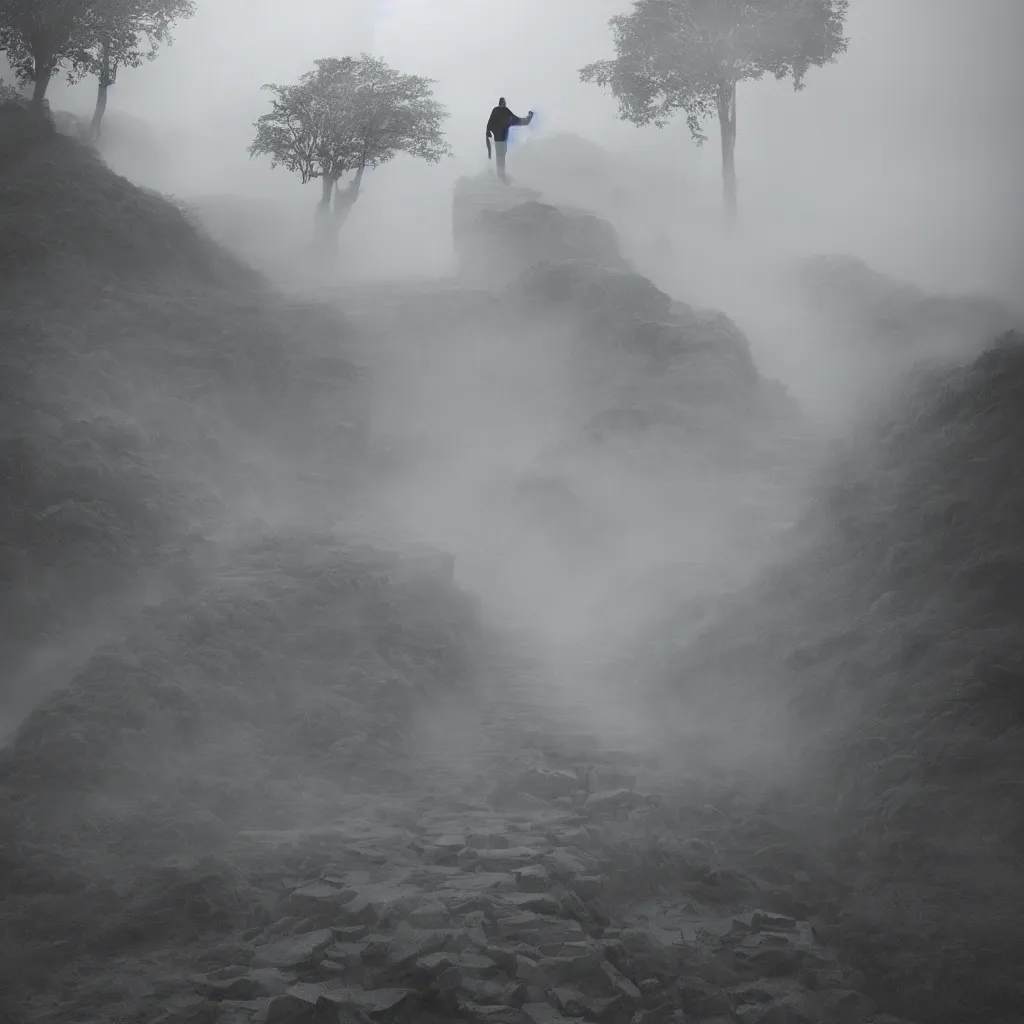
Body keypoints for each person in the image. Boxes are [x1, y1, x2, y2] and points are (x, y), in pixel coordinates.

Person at [486, 97, 534, 183]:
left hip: (498, 140)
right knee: (500, 158)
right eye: (504, 102)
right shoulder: (504, 112)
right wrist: (529, 117)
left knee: (500, 157)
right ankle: (501, 177)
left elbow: (489, 125)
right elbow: (520, 121)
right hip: (501, 141)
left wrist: (489, 133)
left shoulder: (496, 111)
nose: (504, 103)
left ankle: (500, 176)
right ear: (502, 103)